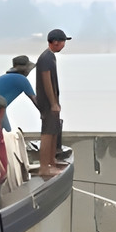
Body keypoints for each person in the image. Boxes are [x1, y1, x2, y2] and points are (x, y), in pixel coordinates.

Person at [35, 28, 70, 177]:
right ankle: (44, 167)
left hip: (53, 101)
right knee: (47, 133)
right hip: (47, 102)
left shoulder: (51, 57)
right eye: (62, 42)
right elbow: (46, 79)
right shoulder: (46, 58)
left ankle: (51, 161)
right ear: (55, 42)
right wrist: (53, 102)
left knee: (54, 130)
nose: (64, 45)